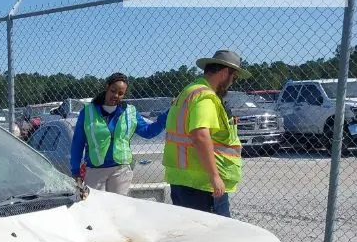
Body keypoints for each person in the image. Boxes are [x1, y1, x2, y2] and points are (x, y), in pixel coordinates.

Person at [163, 50, 248, 218]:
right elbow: (200, 135)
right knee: (214, 238)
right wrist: (214, 176)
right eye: (234, 77)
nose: (232, 82)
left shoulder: (188, 92)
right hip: (202, 185)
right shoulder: (206, 97)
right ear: (224, 72)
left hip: (183, 180)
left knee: (191, 235)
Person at [69, 73, 168, 195]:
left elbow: (148, 132)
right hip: (95, 170)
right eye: (113, 90)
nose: (116, 95)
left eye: (120, 93)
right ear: (107, 87)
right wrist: (75, 171)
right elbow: (78, 143)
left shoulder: (129, 112)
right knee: (96, 209)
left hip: (120, 170)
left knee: (117, 209)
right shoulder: (88, 112)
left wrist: (167, 115)